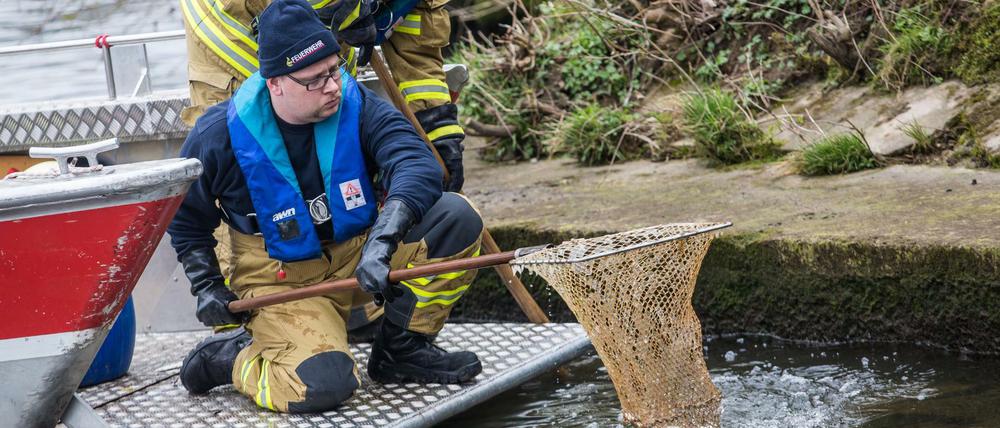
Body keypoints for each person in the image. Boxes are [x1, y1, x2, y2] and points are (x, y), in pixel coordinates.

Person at [167, 0, 483, 413]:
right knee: (322, 387)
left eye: (333, 70)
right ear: (275, 83)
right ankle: (230, 360)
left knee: (456, 218)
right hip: (278, 279)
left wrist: (382, 241)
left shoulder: (356, 105)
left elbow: (415, 162)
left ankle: (400, 351)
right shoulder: (218, 136)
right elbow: (184, 218)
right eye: (314, 80)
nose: (332, 86)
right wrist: (206, 284)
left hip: (358, 255)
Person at [179, 0, 466, 192]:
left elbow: (417, 42)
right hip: (231, 23)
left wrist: (437, 128)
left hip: (322, 27)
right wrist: (350, 10)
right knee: (248, 172)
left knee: (337, 132)